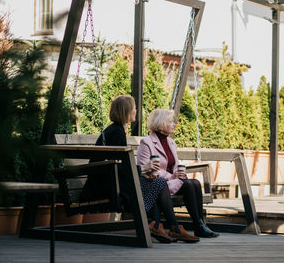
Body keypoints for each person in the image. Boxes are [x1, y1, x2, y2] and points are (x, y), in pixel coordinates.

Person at [83, 95, 199, 243]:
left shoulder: (117, 130)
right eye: (134, 108)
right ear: (127, 111)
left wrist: (143, 172)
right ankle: (169, 227)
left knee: (157, 182)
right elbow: (114, 167)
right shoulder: (116, 132)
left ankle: (159, 225)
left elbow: (120, 166)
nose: (136, 110)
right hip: (106, 186)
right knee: (158, 183)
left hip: (114, 182)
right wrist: (143, 170)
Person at [137, 108, 219, 238]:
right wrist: (172, 176)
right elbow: (146, 168)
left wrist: (179, 172)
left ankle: (200, 224)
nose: (174, 124)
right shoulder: (146, 142)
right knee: (188, 185)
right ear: (161, 124)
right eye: (170, 122)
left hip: (171, 181)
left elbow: (174, 165)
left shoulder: (171, 142)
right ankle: (197, 226)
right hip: (157, 184)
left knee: (195, 183)